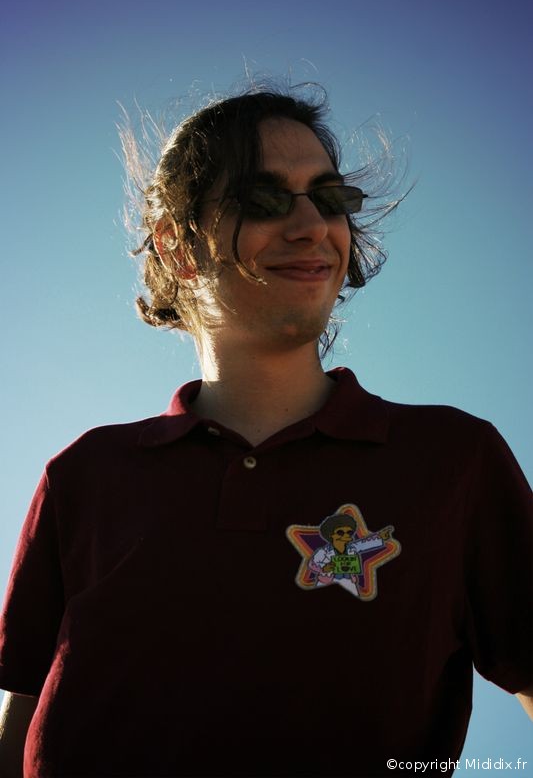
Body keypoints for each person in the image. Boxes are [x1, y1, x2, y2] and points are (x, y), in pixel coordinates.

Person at [0, 85, 531, 778]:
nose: (312, 225)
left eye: (330, 198)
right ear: (176, 245)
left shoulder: (453, 460)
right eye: (262, 198)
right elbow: (21, 715)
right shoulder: (86, 473)